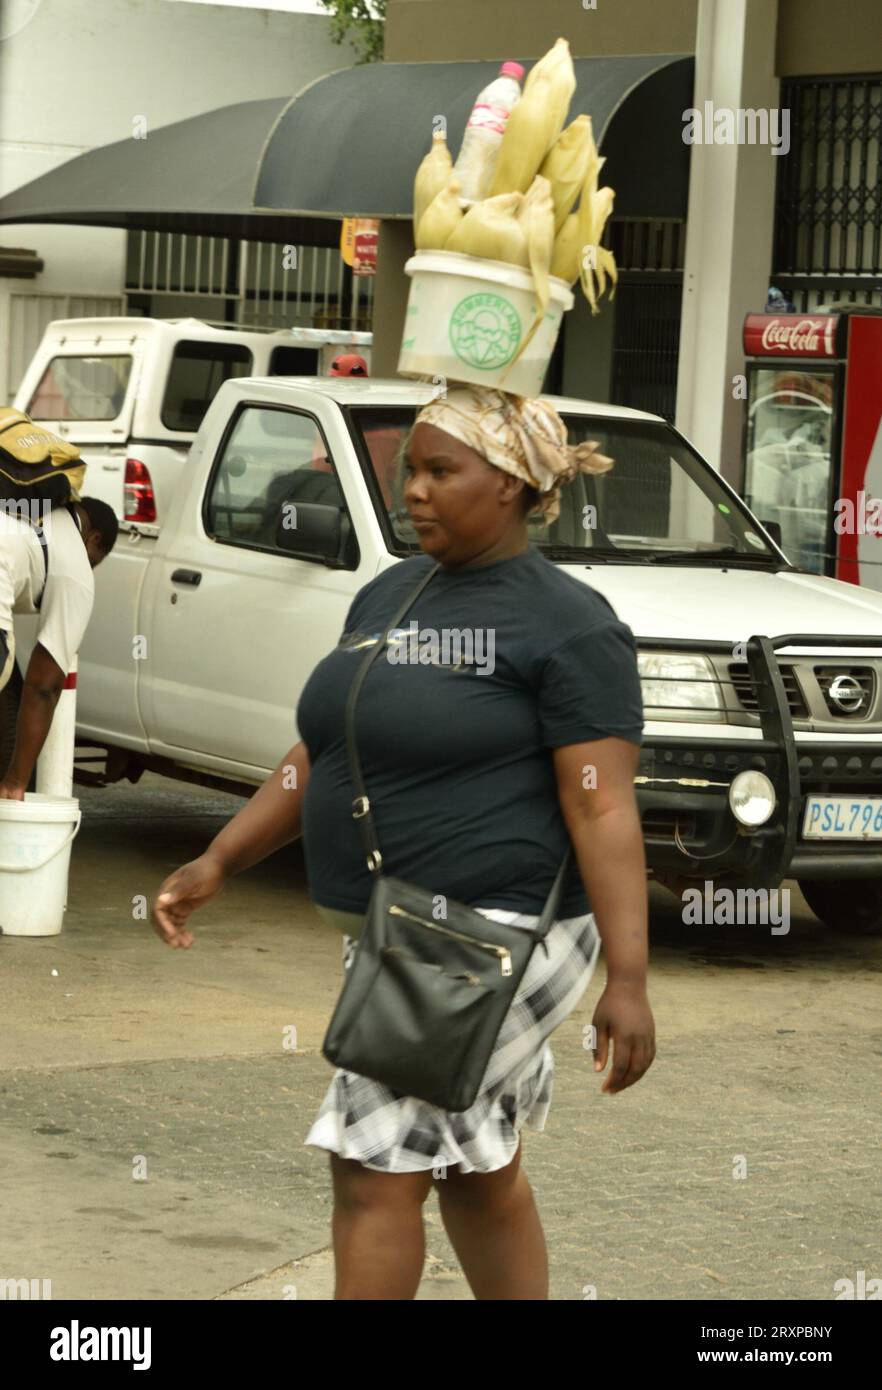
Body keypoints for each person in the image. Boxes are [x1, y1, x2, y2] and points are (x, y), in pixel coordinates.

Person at [151, 384, 655, 1301]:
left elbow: (601, 809)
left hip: (489, 936)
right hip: (409, 929)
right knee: (468, 1160)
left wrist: (627, 980)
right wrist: (220, 857)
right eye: (407, 471)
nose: (411, 490)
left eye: (438, 471)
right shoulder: (393, 590)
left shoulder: (568, 625)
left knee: (371, 1168)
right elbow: (325, 745)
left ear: (509, 484)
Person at [0, 496, 118, 799]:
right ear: (93, 539)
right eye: (95, 561)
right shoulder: (76, 567)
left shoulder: (23, 504)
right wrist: (15, 782)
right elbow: (43, 686)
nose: (90, 569)